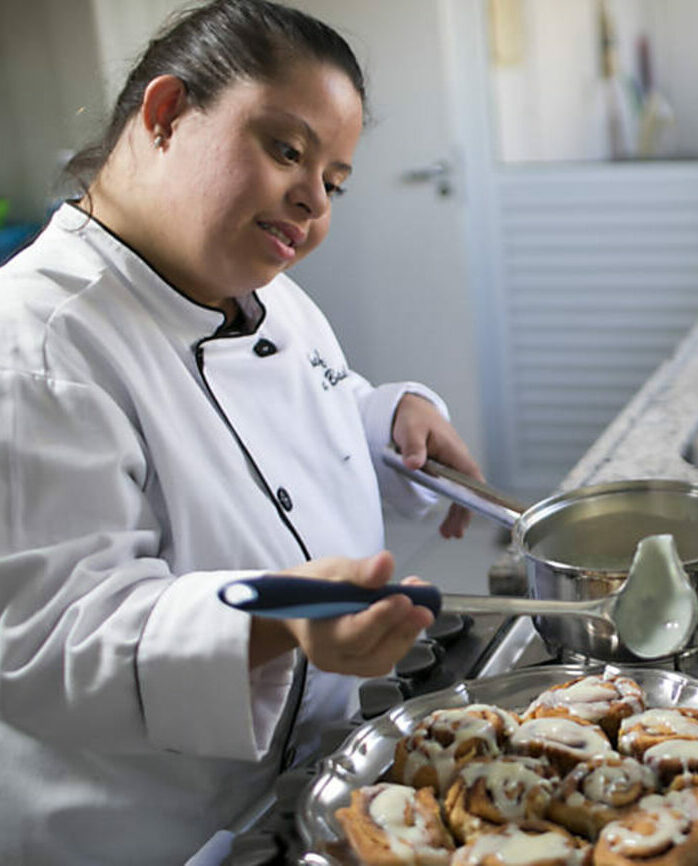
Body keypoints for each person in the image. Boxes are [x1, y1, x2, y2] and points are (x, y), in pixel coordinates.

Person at [0, 1, 484, 862]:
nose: (312, 200)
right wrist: (276, 619)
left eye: (334, 181)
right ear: (165, 114)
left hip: (299, 789)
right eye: (287, 150)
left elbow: (293, 434)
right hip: (158, 833)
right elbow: (49, 640)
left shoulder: (262, 291)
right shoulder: (38, 341)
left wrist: (390, 418)